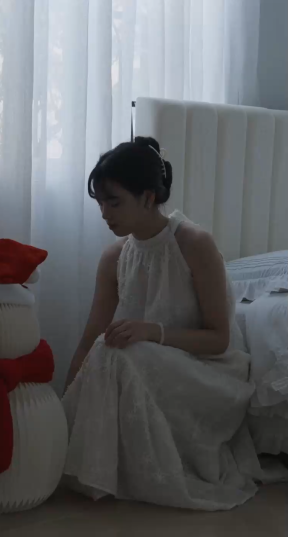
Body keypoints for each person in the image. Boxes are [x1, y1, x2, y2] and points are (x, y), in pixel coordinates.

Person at [62, 136, 263, 511]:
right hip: (147, 365)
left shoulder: (194, 243)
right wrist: (66, 399)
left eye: (114, 202)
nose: (104, 213)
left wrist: (153, 333)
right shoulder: (113, 257)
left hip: (210, 373)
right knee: (108, 347)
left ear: (148, 197)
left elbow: (219, 339)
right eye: (100, 202)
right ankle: (98, 472)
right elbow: (91, 336)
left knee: (121, 350)